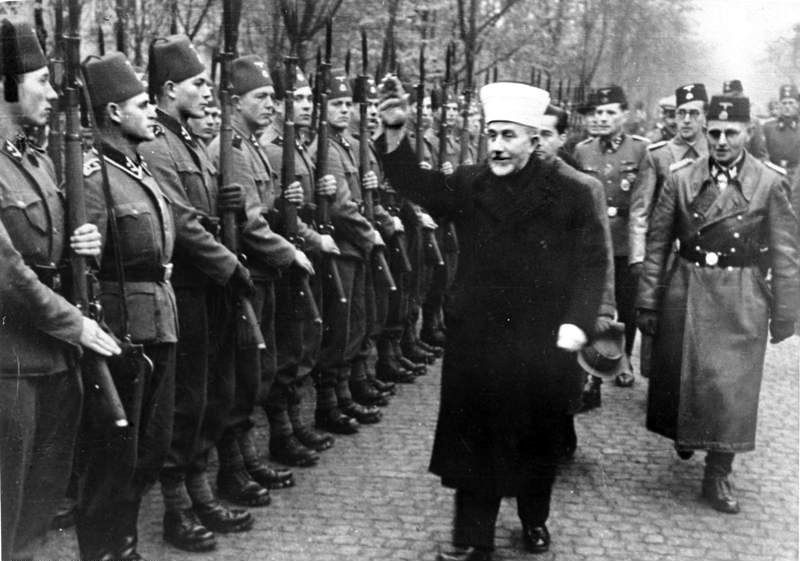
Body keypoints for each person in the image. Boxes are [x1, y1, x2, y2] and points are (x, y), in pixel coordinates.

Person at [378, 80, 607, 559]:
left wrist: (578, 321)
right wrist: (396, 131)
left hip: (540, 339)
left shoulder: (571, 192)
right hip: (478, 336)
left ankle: (533, 519)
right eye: (492, 135)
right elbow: (420, 186)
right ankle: (472, 537)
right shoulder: (470, 183)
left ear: (532, 139)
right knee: (474, 438)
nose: (498, 146)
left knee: (536, 435)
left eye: (509, 136)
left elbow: (592, 264)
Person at [637, 94, 799, 514]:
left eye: (731, 132)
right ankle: (690, 434)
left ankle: (719, 472)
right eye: (715, 133)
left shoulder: (769, 182)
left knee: (732, 391)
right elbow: (657, 244)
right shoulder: (680, 178)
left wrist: (786, 312)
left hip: (741, 296)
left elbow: (786, 254)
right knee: (687, 377)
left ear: (748, 133)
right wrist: (648, 302)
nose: (722, 141)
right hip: (687, 287)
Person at [0, 20, 121, 560]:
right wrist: (77, 325)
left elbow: (45, 252)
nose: (51, 94)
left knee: (37, 512)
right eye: (40, 81)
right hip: (9, 371)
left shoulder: (34, 159)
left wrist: (81, 242)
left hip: (51, 363)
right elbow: (6, 272)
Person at [140, 34, 256, 552]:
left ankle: (201, 489)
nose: (208, 93)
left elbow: (202, 212)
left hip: (210, 287)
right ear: (169, 89)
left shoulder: (188, 139)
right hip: (188, 287)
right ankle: (177, 509)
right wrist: (231, 265)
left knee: (212, 393)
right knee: (186, 400)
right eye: (198, 84)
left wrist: (226, 202)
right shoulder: (157, 146)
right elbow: (182, 224)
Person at [76, 52, 178, 560]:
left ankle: (126, 545)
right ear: (114, 113)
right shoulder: (92, 176)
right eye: (143, 104)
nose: (153, 111)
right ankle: (104, 550)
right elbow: (83, 267)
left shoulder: (137, 166)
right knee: (112, 457)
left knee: (148, 452)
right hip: (120, 332)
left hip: (158, 321)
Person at [207, 55, 307, 499]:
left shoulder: (248, 146)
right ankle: (233, 468)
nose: (271, 104)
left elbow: (261, 210)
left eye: (272, 97)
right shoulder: (229, 151)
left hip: (259, 277)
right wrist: (291, 254)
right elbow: (249, 223)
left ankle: (246, 459)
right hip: (246, 277)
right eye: (261, 97)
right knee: (243, 374)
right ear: (234, 101)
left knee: (256, 371)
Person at [262, 65, 341, 465]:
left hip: (300, 254)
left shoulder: (294, 145)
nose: (308, 106)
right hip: (285, 257)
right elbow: (271, 211)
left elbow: (302, 206)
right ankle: (282, 430)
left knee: (301, 343)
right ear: (278, 103)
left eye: (311, 98)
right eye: (299, 98)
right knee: (290, 348)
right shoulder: (274, 149)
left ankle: (292, 424)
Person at [539, 104, 617, 414]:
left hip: (567, 302)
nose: (538, 143)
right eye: (532, 135)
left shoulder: (585, 187)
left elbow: (602, 254)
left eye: (546, 134)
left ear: (562, 138)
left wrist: (605, 308)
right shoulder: (509, 182)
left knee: (564, 379)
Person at [574, 85, 650, 388]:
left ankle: (623, 358)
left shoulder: (640, 149)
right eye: (598, 113)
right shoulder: (583, 150)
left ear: (624, 115)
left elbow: (643, 199)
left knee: (626, 304)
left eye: (609, 112)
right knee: (594, 301)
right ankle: (593, 359)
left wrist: (638, 250)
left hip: (622, 240)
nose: (602, 118)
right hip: (592, 240)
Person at [762, 84, 800, 179]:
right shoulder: (768, 127)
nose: (787, 106)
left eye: (791, 103)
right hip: (773, 176)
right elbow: (763, 154)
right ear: (779, 105)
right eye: (784, 103)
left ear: (798, 104)